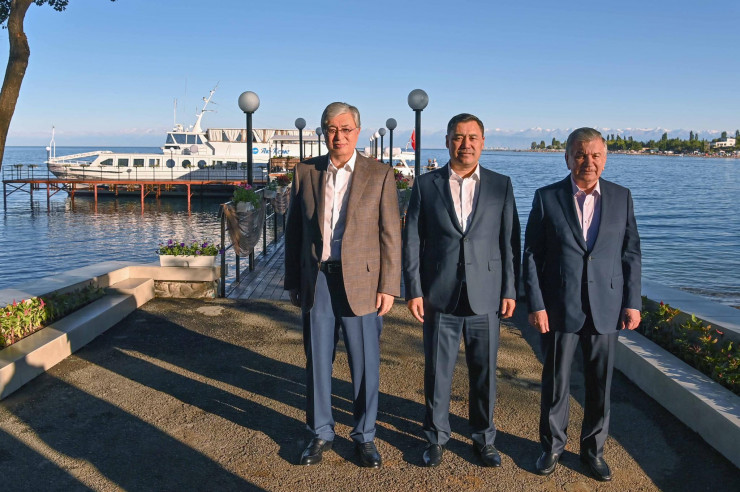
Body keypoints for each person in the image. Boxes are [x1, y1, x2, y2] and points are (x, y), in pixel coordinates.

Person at [284, 102, 401, 469]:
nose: (339, 136)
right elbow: (294, 231)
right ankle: (320, 432)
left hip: (363, 282)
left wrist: (389, 286)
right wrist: (293, 279)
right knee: (317, 361)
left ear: (358, 132)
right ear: (324, 132)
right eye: (332, 129)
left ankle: (365, 436)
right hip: (318, 279)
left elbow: (390, 235)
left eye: (346, 129)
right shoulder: (306, 172)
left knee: (364, 363)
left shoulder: (380, 174)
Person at [523, 127, 641, 482]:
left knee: (600, 385)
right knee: (555, 383)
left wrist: (632, 302)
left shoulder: (621, 197)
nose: (588, 162)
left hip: (607, 306)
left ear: (605, 159)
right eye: (580, 154)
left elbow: (631, 253)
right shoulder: (547, 197)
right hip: (560, 307)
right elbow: (532, 255)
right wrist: (536, 304)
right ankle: (552, 447)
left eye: (595, 155)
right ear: (567, 158)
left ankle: (593, 451)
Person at [402, 113, 520, 468]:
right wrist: (413, 289)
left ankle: (484, 439)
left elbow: (510, 242)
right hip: (440, 294)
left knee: (484, 373)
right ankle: (436, 437)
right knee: (438, 372)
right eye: (458, 137)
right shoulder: (426, 185)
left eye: (472, 138)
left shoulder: (501, 185)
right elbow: (412, 240)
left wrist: (510, 289)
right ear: (447, 141)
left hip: (486, 295)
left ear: (482, 142)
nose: (465, 144)